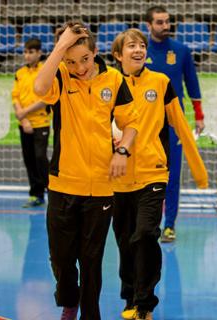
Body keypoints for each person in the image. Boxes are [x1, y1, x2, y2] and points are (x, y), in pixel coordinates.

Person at [33, 22, 139, 320]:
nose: (79, 67)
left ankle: (89, 314)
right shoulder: (60, 76)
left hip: (101, 187)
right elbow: (39, 88)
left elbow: (131, 124)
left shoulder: (114, 79)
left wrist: (122, 150)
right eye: (71, 61)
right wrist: (59, 48)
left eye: (85, 59)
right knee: (61, 258)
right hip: (64, 183)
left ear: (95, 53)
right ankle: (69, 299)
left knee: (91, 259)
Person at [110, 29, 209, 320]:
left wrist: (199, 173)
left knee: (145, 235)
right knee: (125, 241)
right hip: (118, 178)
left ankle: (145, 304)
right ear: (118, 55)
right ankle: (129, 297)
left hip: (153, 173)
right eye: (131, 46)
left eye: (142, 45)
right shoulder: (109, 85)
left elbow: (180, 124)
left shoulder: (161, 82)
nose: (139, 49)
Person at [144, 5, 205, 242]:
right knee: (147, 175)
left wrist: (199, 115)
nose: (165, 26)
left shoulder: (181, 51)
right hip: (145, 125)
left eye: (167, 21)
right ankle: (148, 222)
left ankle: (169, 225)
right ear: (148, 25)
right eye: (159, 22)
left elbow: (192, 83)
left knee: (172, 175)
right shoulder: (140, 51)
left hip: (173, 125)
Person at [12, 38, 51, 208]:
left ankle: (53, 190)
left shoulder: (45, 71)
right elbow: (15, 97)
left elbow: (46, 98)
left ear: (39, 53)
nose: (27, 55)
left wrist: (25, 113)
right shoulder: (20, 73)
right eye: (25, 52)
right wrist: (23, 118)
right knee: (29, 160)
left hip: (41, 122)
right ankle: (36, 194)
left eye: (31, 52)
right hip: (24, 124)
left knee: (40, 157)